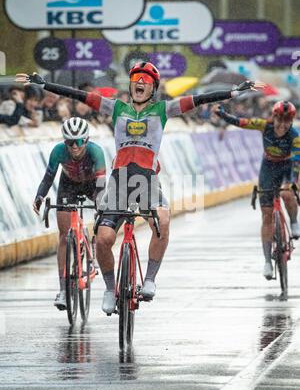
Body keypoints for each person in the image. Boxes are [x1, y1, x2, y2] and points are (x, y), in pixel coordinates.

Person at [16, 65, 260, 314]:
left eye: (145, 80)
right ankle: (111, 289)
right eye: (135, 80)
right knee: (103, 238)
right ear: (131, 85)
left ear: (153, 87)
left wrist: (231, 93)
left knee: (163, 220)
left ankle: (151, 279)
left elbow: (198, 100)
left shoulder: (163, 109)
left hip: (147, 181)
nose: (139, 83)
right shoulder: (115, 108)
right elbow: (81, 96)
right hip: (119, 180)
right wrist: (46, 85)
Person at [213, 100, 300, 279]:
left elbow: (297, 162)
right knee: (267, 216)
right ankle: (267, 261)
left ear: (292, 121)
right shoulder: (264, 125)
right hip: (268, 168)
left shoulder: (295, 135)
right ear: (273, 117)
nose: (282, 125)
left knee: (287, 193)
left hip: (287, 167)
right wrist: (222, 114)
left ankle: (293, 221)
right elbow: (241, 122)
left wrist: (293, 182)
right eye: (279, 120)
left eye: (287, 121)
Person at [32, 116, 106, 310]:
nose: (74, 146)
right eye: (69, 142)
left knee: (104, 214)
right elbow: (48, 178)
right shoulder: (58, 151)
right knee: (64, 236)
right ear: (64, 141)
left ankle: (94, 254)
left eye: (79, 141)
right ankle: (63, 290)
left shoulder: (95, 152)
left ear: (87, 140)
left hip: (92, 185)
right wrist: (40, 196)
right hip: (69, 185)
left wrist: (100, 205)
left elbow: (101, 185)